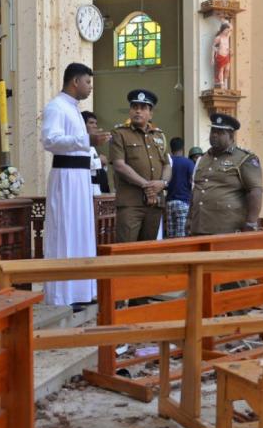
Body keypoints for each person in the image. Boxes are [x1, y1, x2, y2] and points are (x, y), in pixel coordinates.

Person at [41, 63, 110, 308]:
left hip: (81, 178)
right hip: (66, 177)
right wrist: (87, 139)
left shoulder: (74, 109)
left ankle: (81, 292)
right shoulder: (56, 107)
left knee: (81, 233)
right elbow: (50, 140)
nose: (91, 88)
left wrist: (90, 140)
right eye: (88, 82)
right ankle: (63, 295)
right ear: (75, 82)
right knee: (66, 233)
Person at [109, 89, 172, 243]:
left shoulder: (158, 135)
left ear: (150, 114)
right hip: (131, 203)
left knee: (148, 249)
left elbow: (167, 165)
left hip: (155, 203)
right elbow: (119, 165)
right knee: (126, 249)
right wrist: (146, 185)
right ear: (130, 111)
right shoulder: (119, 133)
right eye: (134, 107)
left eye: (143, 108)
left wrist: (162, 184)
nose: (138, 111)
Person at [189, 113, 263, 235]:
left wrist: (251, 222)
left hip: (227, 229)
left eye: (220, 132)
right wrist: (189, 218)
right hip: (199, 227)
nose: (214, 135)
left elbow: (255, 191)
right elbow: (196, 189)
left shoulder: (244, 158)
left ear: (231, 135)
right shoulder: (203, 158)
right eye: (213, 131)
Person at [166, 137, 195, 238]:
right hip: (183, 202)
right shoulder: (188, 163)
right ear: (183, 148)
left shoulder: (167, 163)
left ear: (171, 148)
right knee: (181, 237)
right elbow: (193, 182)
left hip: (169, 203)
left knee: (170, 236)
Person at [81, 111, 111, 195]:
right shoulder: (77, 142)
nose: (95, 126)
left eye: (96, 123)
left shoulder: (92, 145)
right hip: (83, 187)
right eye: (91, 123)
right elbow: (78, 162)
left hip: (96, 187)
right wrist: (99, 161)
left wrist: (103, 164)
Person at [212, 21, 232, 89]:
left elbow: (231, 28)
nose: (227, 31)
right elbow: (213, 47)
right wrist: (212, 58)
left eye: (227, 30)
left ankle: (225, 81)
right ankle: (222, 84)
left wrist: (225, 21)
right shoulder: (218, 38)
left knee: (227, 69)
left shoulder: (227, 37)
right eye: (226, 30)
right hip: (220, 55)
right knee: (221, 70)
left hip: (226, 55)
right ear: (222, 30)